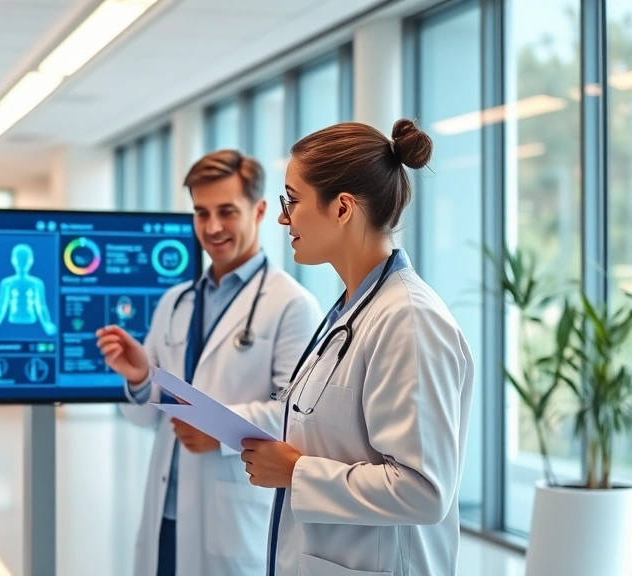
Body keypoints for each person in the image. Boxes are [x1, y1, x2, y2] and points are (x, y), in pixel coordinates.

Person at [240, 119, 475, 576]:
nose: (283, 218)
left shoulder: (408, 319)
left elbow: (424, 491)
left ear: (343, 208)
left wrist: (296, 473)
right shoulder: (353, 310)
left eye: (292, 200)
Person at [96, 150, 323, 576]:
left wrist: (217, 430)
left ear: (258, 211)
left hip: (232, 516)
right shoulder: (176, 301)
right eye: (201, 213)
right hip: (167, 510)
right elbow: (147, 417)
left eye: (226, 212)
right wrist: (141, 378)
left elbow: (296, 416)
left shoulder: (291, 304)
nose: (213, 227)